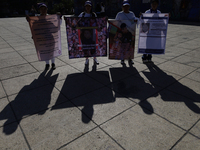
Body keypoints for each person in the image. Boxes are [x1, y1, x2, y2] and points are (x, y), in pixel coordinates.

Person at [26, 3, 62, 70]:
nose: (43, 10)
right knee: (44, 51)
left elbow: (57, 26)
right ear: (39, 10)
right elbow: (34, 28)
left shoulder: (51, 17)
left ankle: (53, 63)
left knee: (52, 50)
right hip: (42, 39)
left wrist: (59, 18)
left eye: (44, 8)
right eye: (41, 9)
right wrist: (29, 20)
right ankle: (47, 64)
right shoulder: (36, 19)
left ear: (47, 9)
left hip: (50, 38)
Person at [78, 1, 99, 65]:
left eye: (89, 6)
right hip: (84, 34)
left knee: (93, 46)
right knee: (85, 47)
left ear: (91, 7)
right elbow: (76, 20)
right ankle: (87, 59)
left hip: (92, 33)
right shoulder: (82, 14)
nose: (88, 8)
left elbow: (98, 22)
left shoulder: (94, 14)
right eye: (86, 6)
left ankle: (95, 58)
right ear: (85, 7)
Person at [115, 0, 135, 65]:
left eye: (127, 6)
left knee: (129, 47)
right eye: (124, 6)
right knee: (122, 47)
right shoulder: (119, 14)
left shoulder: (132, 14)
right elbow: (115, 22)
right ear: (122, 7)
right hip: (122, 33)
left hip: (129, 33)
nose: (126, 8)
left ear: (129, 6)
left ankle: (130, 59)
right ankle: (122, 59)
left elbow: (134, 21)